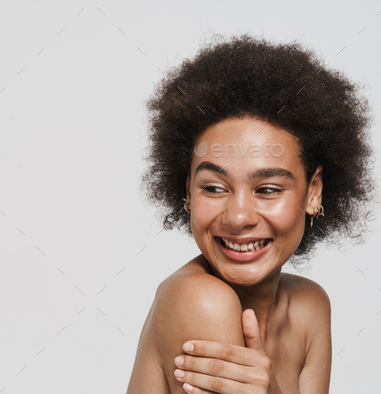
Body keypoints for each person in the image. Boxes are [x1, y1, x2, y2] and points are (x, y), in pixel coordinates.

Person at [126, 33, 377, 394]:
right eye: (213, 187)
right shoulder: (200, 300)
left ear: (314, 191)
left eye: (268, 189)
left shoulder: (310, 306)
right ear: (187, 192)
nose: (238, 216)